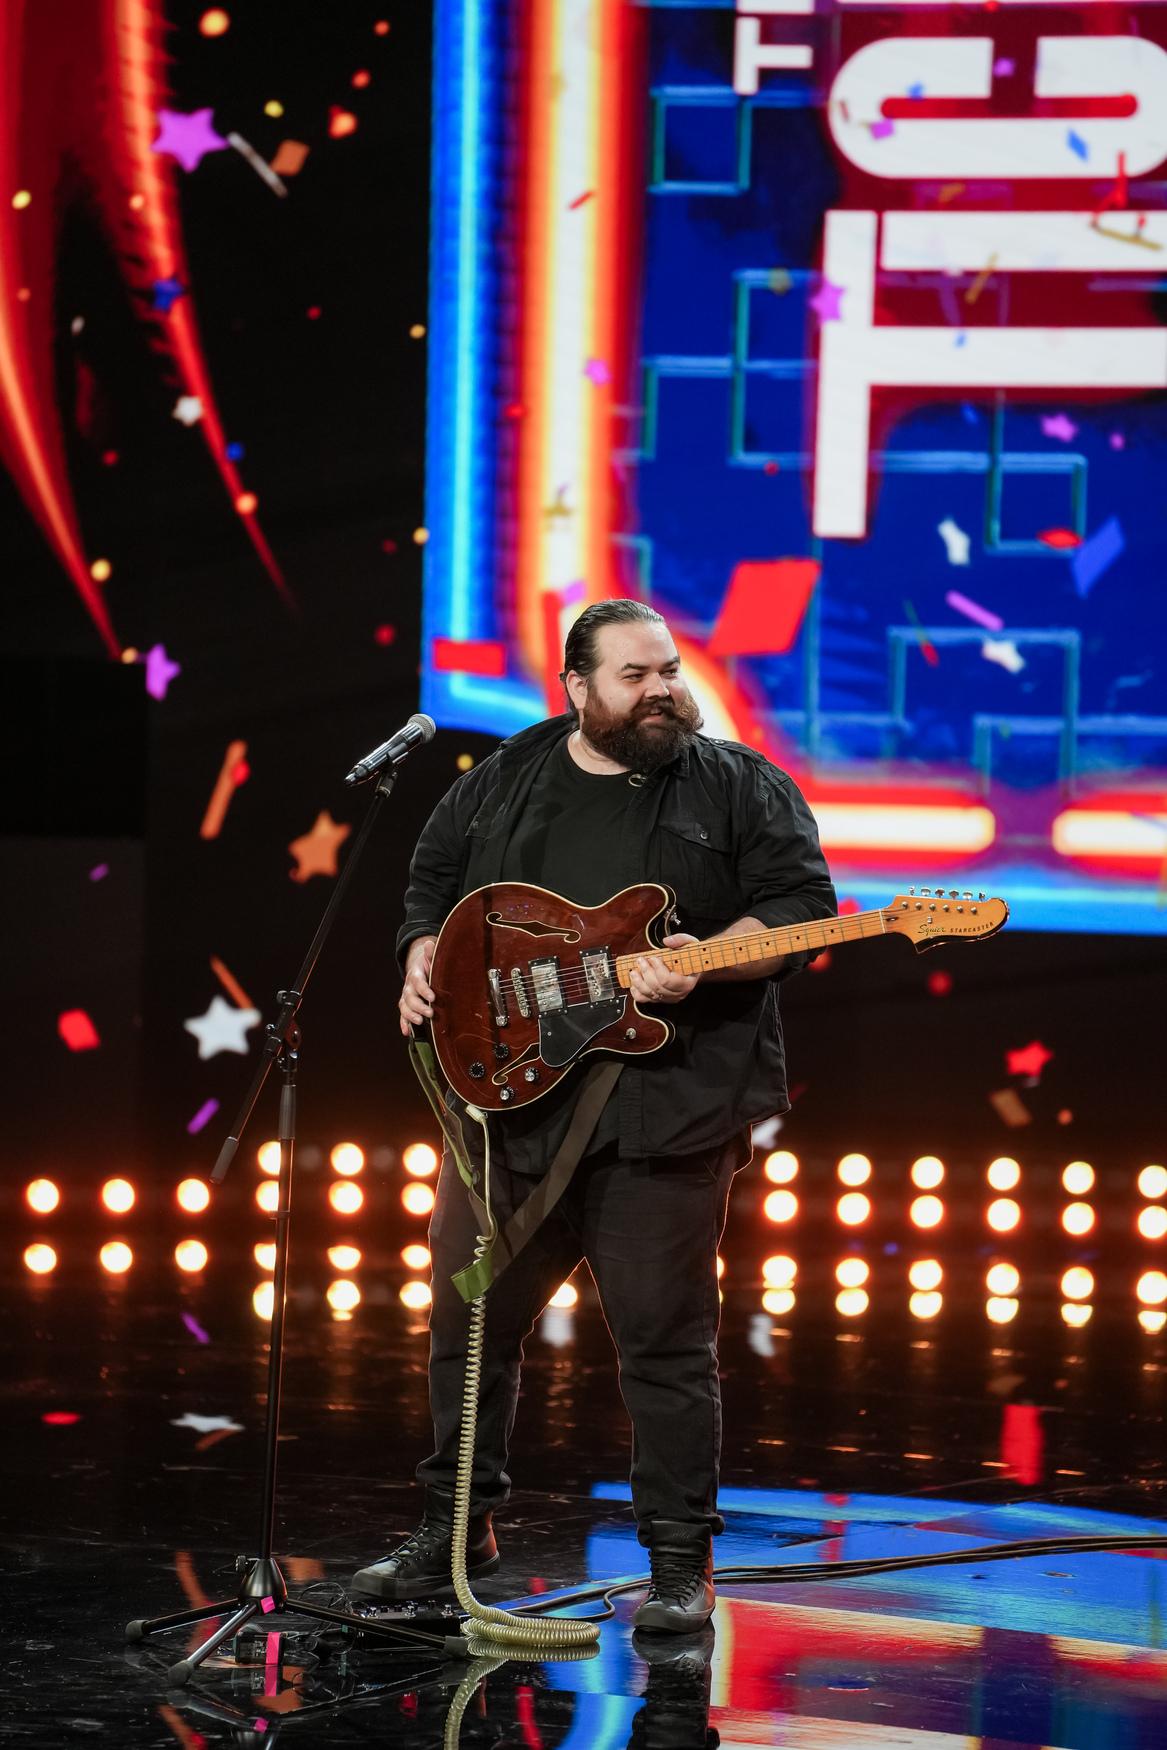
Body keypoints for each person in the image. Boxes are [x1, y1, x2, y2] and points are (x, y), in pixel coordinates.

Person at [351, 599, 836, 1632]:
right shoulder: (508, 776)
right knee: (467, 1324)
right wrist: (420, 950)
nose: (662, 689)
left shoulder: (740, 784)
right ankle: (454, 1532)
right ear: (577, 688)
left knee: (664, 1346)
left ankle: (678, 1563)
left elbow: (802, 906)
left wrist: (709, 959)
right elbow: (433, 878)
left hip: (665, 1117)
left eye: (668, 669)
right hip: (508, 1111)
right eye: (634, 675)